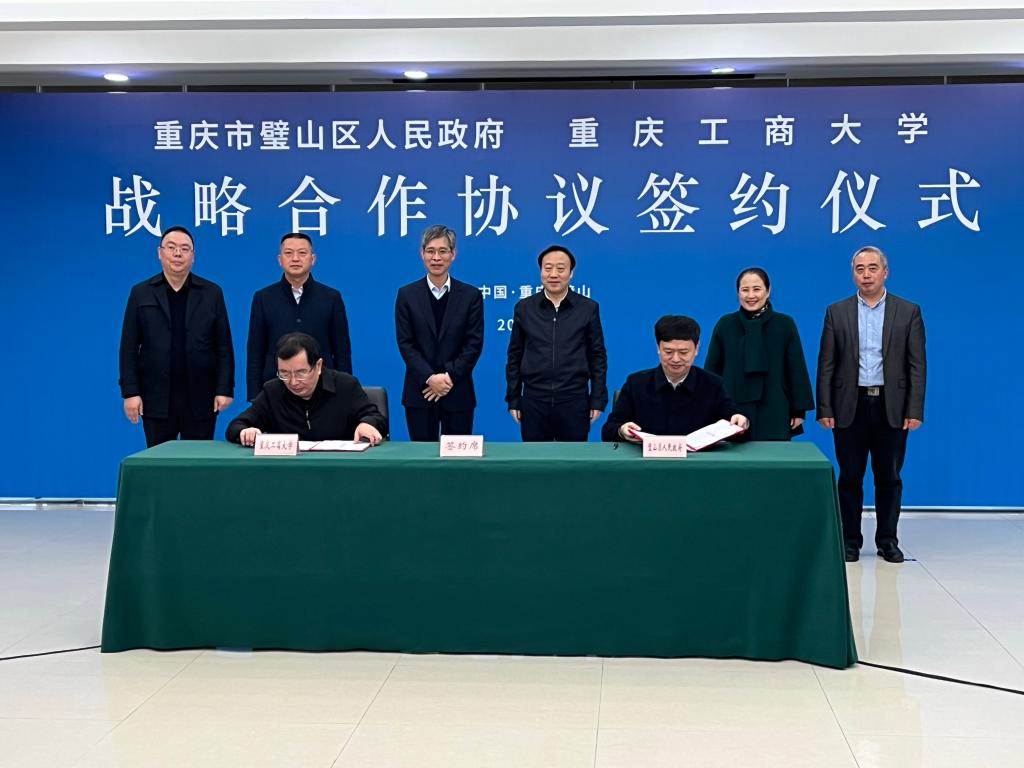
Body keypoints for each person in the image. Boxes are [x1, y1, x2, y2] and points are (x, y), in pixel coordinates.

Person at [816, 246, 926, 564]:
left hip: (891, 406)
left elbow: (917, 365)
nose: (866, 275)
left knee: (889, 477)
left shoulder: (908, 311)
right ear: (853, 274)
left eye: (872, 268)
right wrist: (825, 407)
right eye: (860, 269)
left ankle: (887, 541)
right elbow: (826, 363)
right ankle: (850, 541)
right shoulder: (837, 312)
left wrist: (914, 409)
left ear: (885, 272)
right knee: (849, 477)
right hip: (849, 405)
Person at [119, 225, 234, 447]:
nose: (178, 254)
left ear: (193, 256)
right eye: (171, 248)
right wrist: (130, 392)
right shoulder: (141, 292)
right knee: (159, 460)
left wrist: (224, 388)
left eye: (184, 248)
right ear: (159, 253)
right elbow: (128, 347)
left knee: (199, 459)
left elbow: (223, 346)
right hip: (156, 397)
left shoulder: (211, 293)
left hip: (201, 397)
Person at [505, 245, 607, 441]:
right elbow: (514, 356)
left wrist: (597, 398)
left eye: (560, 269)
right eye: (548, 268)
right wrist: (514, 398)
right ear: (540, 271)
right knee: (535, 456)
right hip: (534, 400)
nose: (553, 274)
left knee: (573, 458)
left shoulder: (588, 308)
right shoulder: (524, 308)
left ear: (571, 273)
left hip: (574, 400)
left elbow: (597, 356)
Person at [394, 225, 484, 441]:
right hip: (420, 392)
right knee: (422, 458)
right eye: (430, 251)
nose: (436, 257)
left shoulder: (470, 295)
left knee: (458, 457)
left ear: (453, 254)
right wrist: (429, 377)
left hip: (458, 391)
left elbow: (473, 344)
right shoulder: (407, 295)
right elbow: (406, 344)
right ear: (422, 253)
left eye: (443, 251)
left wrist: (447, 377)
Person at [704, 267, 814, 440]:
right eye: (745, 290)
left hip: (775, 405)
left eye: (757, 289)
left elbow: (796, 368)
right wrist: (711, 407)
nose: (750, 295)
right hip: (733, 408)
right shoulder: (725, 324)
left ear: (768, 291)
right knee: (733, 454)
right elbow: (712, 369)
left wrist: (799, 410)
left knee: (773, 455)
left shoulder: (784, 324)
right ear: (738, 293)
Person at [602, 315, 749, 442]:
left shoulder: (713, 385)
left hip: (697, 463)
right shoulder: (636, 384)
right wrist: (622, 430)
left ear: (697, 348)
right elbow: (609, 430)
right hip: (648, 462)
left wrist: (741, 423)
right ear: (658, 348)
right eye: (668, 352)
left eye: (683, 352)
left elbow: (735, 426)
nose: (676, 359)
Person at [245, 232, 352, 402]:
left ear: (313, 259)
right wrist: (254, 396)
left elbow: (342, 352)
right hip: (275, 387)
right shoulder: (263, 298)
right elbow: (255, 352)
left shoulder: (331, 297)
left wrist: (345, 392)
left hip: (323, 387)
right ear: (280, 260)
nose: (295, 258)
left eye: (302, 253)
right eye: (289, 253)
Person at [227, 333, 384, 446]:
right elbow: (236, 425)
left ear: (318, 366)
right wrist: (246, 432)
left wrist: (367, 424)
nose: (293, 382)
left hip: (340, 468)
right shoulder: (273, 391)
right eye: (284, 373)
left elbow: (376, 418)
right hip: (289, 470)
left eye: (301, 373)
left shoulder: (345, 385)